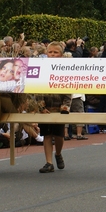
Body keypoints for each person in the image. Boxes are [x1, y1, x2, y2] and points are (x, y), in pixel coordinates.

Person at [38, 42, 72, 173]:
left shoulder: (66, 70)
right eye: (50, 52)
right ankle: (48, 162)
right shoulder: (42, 68)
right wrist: (41, 105)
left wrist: (65, 106)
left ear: (61, 55)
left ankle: (58, 154)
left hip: (59, 107)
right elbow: (37, 88)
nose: (52, 55)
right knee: (47, 134)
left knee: (58, 135)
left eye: (55, 52)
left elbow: (69, 89)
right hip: (46, 106)